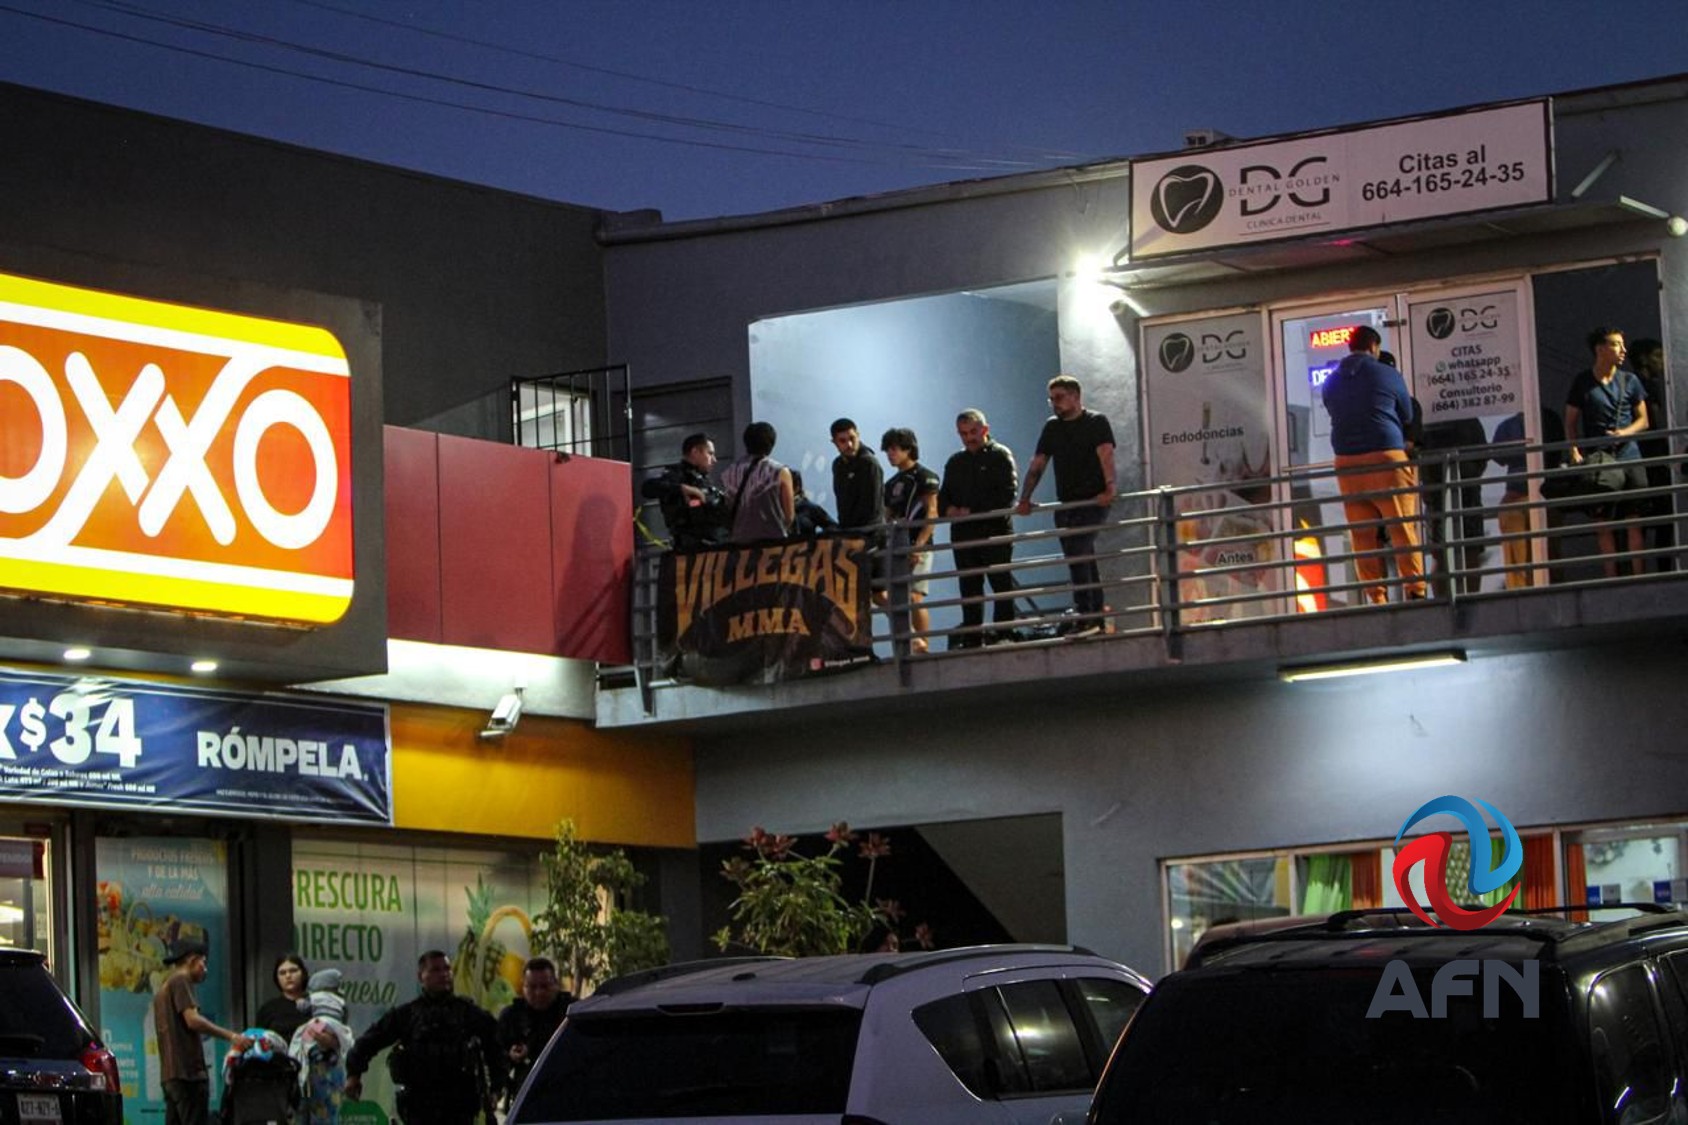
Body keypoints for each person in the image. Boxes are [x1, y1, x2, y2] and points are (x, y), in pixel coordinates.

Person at [1320, 325, 1427, 603]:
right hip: (1385, 457)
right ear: (1374, 347)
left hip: (1346, 461)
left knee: (1362, 533)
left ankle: (1375, 596)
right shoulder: (1387, 373)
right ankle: (1415, 590)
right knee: (1402, 526)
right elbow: (1406, 412)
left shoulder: (1331, 381)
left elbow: (1333, 410)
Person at [345, 951, 500, 1125]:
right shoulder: (408, 1015)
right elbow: (370, 1041)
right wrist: (354, 1074)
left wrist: (496, 1087)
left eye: (447, 969)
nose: (443, 974)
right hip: (419, 1106)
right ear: (421, 976)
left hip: (459, 1105)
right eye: (435, 970)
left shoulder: (468, 1013)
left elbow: (495, 1045)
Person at [1016, 376, 1117, 635]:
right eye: (1051, 399)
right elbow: (1038, 463)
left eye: (1059, 398)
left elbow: (1105, 454)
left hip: (1093, 500)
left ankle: (1087, 614)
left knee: (1079, 549)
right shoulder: (1053, 428)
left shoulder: (1096, 421)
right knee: (1081, 555)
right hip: (1067, 503)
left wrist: (1109, 487)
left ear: (1075, 396)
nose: (1054, 404)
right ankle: (1094, 615)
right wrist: (1025, 497)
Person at [1565, 326, 1650, 576]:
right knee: (1603, 523)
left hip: (1630, 455)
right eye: (1616, 344)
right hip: (1599, 459)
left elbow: (1644, 420)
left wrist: (1626, 433)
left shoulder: (1630, 380)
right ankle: (1611, 578)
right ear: (1600, 349)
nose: (1623, 350)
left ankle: (1639, 577)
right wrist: (1574, 451)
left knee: (1634, 520)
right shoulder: (1582, 382)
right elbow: (1570, 420)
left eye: (1623, 345)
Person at [939, 408, 1019, 647]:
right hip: (964, 535)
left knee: (1000, 582)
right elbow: (943, 498)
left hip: (995, 531)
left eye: (973, 432)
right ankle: (973, 637)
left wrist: (970, 511)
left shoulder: (1000, 455)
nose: (968, 438)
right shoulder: (955, 462)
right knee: (969, 587)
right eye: (963, 433)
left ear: (985, 429)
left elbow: (1007, 495)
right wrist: (950, 510)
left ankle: (1004, 634)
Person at [151, 940, 253, 1125]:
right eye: (203, 963)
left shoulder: (164, 988)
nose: (205, 969)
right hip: (188, 1072)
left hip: (171, 1075)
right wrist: (232, 1036)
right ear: (191, 960)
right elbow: (192, 1020)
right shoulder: (181, 980)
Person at [881, 427, 940, 655]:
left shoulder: (925, 476)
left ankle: (922, 646)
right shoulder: (891, 483)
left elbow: (932, 512)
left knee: (915, 596)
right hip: (896, 546)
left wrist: (919, 546)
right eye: (887, 450)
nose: (890, 454)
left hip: (918, 544)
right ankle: (908, 644)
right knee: (895, 596)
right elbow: (887, 515)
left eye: (894, 449)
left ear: (908, 449)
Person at [495, 957, 572, 1104]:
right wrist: (511, 1056)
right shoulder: (512, 1016)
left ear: (556, 985)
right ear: (523, 988)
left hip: (567, 1092)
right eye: (532, 987)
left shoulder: (571, 1012)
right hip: (526, 1096)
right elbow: (497, 1056)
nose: (539, 993)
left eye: (545, 986)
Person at [288, 969, 357, 1125]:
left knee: (321, 1107)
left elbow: (303, 1007)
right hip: (325, 1064)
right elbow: (344, 1020)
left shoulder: (312, 1000)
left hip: (316, 1069)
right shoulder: (340, 1003)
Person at [639, 433, 728, 550]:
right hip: (688, 549)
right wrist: (681, 488)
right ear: (695, 452)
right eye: (710, 453)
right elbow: (647, 488)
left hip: (714, 545)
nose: (714, 459)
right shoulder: (676, 475)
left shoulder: (703, 480)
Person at [1630, 337, 1674, 569]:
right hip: (1651, 461)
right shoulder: (1646, 385)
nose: (1662, 361)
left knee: (1644, 518)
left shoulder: (1630, 383)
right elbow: (1653, 424)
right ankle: (1663, 569)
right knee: (1662, 517)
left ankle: (1639, 570)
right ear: (1644, 360)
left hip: (1642, 460)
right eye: (1657, 356)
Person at [720, 421, 795, 542]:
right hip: (773, 541)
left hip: (739, 542)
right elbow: (789, 515)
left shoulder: (729, 472)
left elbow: (727, 505)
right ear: (771, 443)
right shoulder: (780, 471)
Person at [830, 418, 884, 534]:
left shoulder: (869, 463)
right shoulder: (837, 465)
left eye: (852, 438)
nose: (849, 444)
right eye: (842, 441)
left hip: (869, 533)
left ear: (858, 435)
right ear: (834, 442)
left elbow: (871, 506)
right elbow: (841, 500)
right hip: (848, 531)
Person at [256, 954, 311, 1043]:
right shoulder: (268, 1009)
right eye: (282, 973)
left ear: (303, 973)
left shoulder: (316, 1004)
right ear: (277, 978)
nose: (288, 976)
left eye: (293, 971)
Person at [789, 471, 838, 538]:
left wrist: (816, 541)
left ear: (797, 487)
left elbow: (833, 527)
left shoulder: (809, 507)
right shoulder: (774, 508)